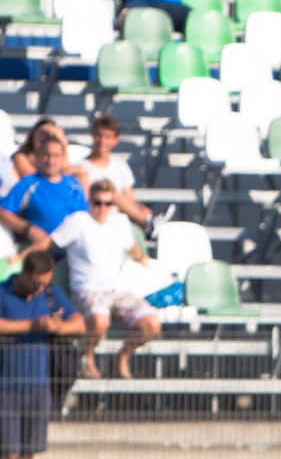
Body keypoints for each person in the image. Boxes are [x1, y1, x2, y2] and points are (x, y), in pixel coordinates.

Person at [43, 179, 161, 379]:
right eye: (97, 203)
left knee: (151, 324)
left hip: (118, 291)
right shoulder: (78, 220)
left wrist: (142, 259)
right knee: (99, 320)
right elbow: (49, 243)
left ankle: (122, 357)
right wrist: (23, 257)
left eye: (108, 203)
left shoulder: (120, 222)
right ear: (89, 201)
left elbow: (131, 246)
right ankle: (87, 358)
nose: (102, 208)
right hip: (86, 289)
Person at [0, 252, 85, 459]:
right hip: (6, 384)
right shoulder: (3, 293)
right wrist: (31, 325)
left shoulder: (51, 293)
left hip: (39, 384)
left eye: (44, 283)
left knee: (28, 452)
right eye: (36, 283)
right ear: (24, 274)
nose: (40, 289)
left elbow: (80, 323)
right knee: (7, 451)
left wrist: (58, 328)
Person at [78, 115, 166, 237]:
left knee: (143, 211)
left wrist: (143, 210)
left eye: (107, 137)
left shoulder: (120, 165)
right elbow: (87, 200)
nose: (102, 141)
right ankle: (148, 223)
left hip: (121, 220)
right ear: (93, 136)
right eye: (99, 135)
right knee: (110, 194)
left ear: (115, 140)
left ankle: (149, 220)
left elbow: (130, 199)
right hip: (98, 218)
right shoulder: (81, 168)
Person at [1, 134, 90, 250]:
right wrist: (28, 229)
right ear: (38, 157)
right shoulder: (29, 183)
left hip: (74, 252)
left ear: (63, 158)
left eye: (56, 156)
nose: (51, 161)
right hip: (42, 252)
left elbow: (84, 217)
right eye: (46, 155)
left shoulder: (74, 184)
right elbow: (3, 212)